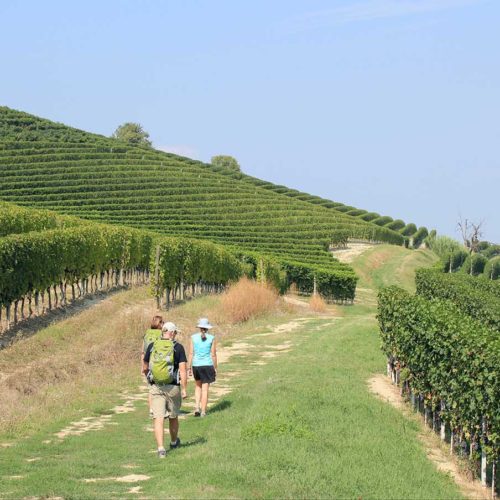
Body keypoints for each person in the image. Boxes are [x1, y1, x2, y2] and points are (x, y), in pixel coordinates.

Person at [143, 321, 187, 458]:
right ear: (172, 333)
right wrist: (184, 389)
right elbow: (183, 370)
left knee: (158, 418)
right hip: (173, 387)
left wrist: (150, 379)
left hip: (156, 387)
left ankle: (161, 449)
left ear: (163, 332)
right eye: (176, 333)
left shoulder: (152, 346)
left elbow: (145, 367)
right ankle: (174, 442)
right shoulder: (178, 347)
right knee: (173, 417)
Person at [188, 318, 217, 417]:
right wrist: (215, 367)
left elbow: (191, 353)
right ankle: (203, 411)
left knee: (198, 386)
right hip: (207, 365)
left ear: (199, 327)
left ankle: (197, 407)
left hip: (196, 365)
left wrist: (189, 367)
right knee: (205, 389)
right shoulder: (212, 338)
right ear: (208, 328)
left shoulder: (193, 337)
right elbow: (213, 354)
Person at [142, 315, 164, 417]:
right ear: (159, 324)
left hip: (148, 362)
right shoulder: (161, 334)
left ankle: (151, 408)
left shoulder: (147, 334)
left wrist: (142, 365)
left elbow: (143, 351)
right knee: (161, 385)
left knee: (150, 387)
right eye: (162, 322)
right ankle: (161, 407)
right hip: (158, 362)